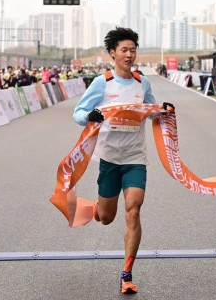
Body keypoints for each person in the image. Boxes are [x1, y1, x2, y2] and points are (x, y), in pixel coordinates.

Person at [73, 27, 173, 295]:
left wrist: (163, 111)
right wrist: (89, 116)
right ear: (113, 53)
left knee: (134, 210)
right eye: (124, 50)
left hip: (135, 158)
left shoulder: (143, 83)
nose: (129, 55)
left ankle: (126, 274)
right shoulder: (102, 83)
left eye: (133, 50)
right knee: (107, 218)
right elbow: (78, 112)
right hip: (109, 158)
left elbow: (151, 111)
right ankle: (99, 208)